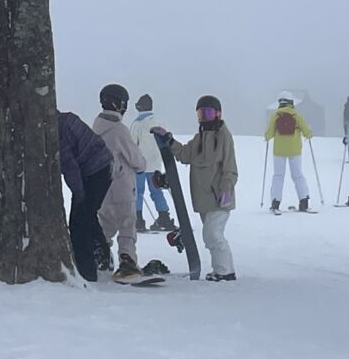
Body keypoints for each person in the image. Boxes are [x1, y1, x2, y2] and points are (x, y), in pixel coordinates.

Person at [159, 96, 241, 279]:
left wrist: (226, 188)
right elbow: (185, 155)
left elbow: (230, 168)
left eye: (208, 113)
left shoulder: (224, 137)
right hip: (203, 198)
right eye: (201, 113)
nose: (204, 117)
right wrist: (169, 140)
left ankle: (225, 271)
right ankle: (220, 269)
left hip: (218, 197)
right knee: (211, 235)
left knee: (213, 234)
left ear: (218, 114)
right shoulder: (200, 138)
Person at [93, 85, 149, 278]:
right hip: (122, 188)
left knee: (105, 226)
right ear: (119, 104)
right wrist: (142, 165)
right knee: (127, 226)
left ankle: (98, 260)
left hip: (101, 191)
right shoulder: (119, 130)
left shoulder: (94, 129)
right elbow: (137, 160)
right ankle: (128, 262)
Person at [57, 109, 114, 282]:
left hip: (94, 172)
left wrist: (79, 194)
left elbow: (69, 166)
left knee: (78, 223)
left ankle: (87, 272)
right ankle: (103, 259)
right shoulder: (66, 119)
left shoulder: (57, 131)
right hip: (103, 166)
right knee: (88, 216)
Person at [131, 95, 174, 233]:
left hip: (140, 164)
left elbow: (132, 144)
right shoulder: (159, 122)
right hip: (156, 163)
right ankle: (164, 217)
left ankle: (138, 220)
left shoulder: (137, 124)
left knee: (138, 192)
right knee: (157, 191)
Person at [265, 93, 314, 211]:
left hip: (279, 151)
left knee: (278, 176)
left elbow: (269, 133)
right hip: (295, 150)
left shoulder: (275, 115)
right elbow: (306, 131)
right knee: (297, 175)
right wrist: (309, 134)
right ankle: (304, 201)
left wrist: (266, 137)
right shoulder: (296, 114)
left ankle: (275, 202)